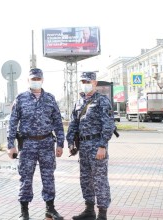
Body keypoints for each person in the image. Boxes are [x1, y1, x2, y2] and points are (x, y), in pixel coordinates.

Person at [7, 68, 65, 220]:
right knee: (25, 177)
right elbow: (12, 122)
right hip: (27, 144)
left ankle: (50, 209)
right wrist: (10, 145)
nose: (36, 81)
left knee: (48, 177)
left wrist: (60, 143)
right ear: (28, 80)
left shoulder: (50, 99)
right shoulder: (21, 98)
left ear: (42, 80)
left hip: (47, 143)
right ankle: (24, 212)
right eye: (33, 78)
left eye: (38, 79)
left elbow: (58, 122)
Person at [66, 72, 115, 220]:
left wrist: (102, 146)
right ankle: (89, 210)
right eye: (83, 81)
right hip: (83, 146)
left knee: (99, 179)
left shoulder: (102, 101)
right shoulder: (79, 102)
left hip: (96, 145)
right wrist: (70, 142)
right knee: (85, 179)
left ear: (95, 83)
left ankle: (102, 214)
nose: (85, 84)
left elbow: (109, 125)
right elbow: (74, 123)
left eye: (87, 81)